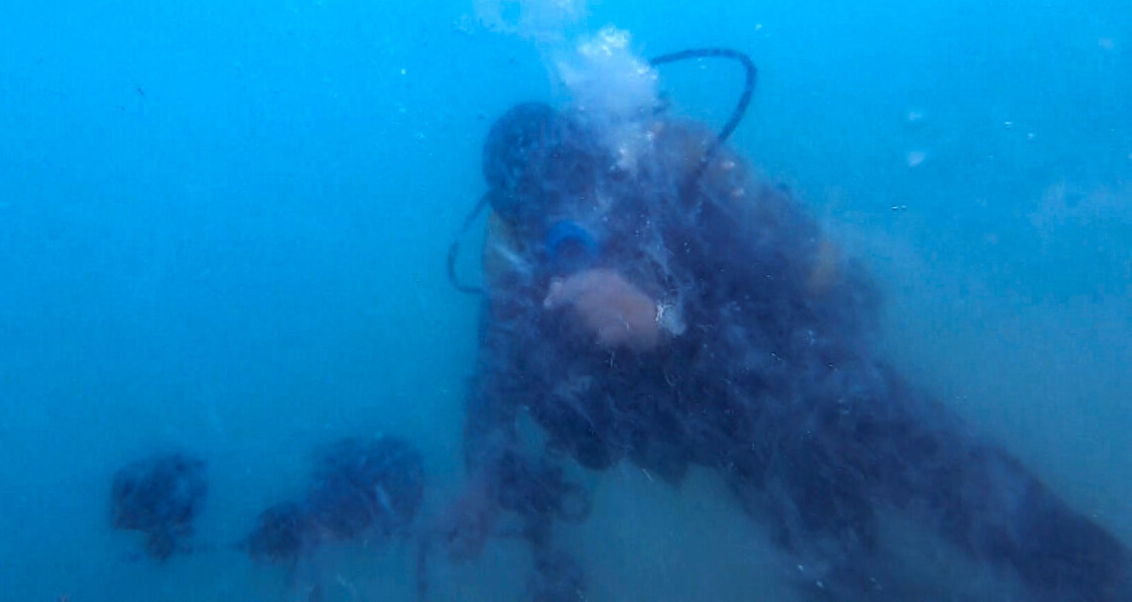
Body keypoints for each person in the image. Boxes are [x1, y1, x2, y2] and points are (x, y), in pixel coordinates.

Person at [433, 98, 1132, 602]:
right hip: (758, 465)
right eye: (536, 217)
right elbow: (495, 380)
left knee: (1013, 521)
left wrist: (666, 320)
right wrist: (484, 477)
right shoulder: (527, 285)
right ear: (514, 226)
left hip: (845, 399)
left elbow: (792, 314)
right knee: (854, 585)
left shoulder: (673, 200)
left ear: (604, 167)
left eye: (576, 188)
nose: (567, 229)